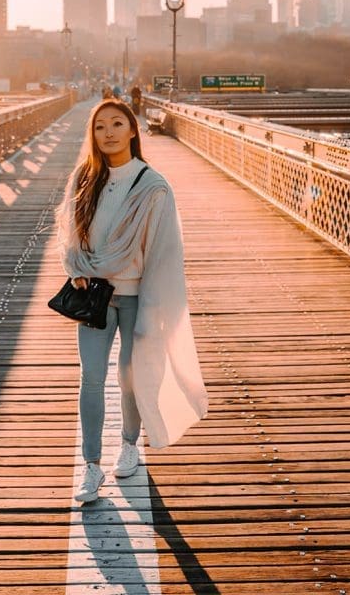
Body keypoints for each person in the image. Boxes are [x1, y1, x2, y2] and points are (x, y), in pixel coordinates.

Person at [57, 98, 208, 504]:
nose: (108, 133)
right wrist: (76, 268)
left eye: (116, 124)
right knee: (91, 377)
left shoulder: (153, 186)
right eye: (100, 126)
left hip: (138, 295)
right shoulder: (83, 179)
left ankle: (129, 444)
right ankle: (91, 466)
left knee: (131, 375)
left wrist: (159, 307)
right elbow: (71, 237)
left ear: (133, 129)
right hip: (95, 296)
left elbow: (163, 252)